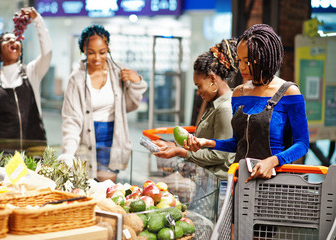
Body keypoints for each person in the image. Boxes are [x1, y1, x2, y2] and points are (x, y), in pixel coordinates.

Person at [185, 24, 309, 183]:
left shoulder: (289, 92)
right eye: (239, 60)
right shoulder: (239, 93)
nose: (241, 67)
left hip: (276, 181)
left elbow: (302, 144)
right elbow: (238, 143)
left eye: (247, 61)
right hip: (240, 181)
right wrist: (207, 143)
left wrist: (272, 161)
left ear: (264, 58)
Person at [58, 24, 147, 181]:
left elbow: (131, 105)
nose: (97, 58)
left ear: (109, 49)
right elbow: (71, 120)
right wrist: (68, 152)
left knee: (107, 187)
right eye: (91, 53)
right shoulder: (76, 79)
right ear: (83, 51)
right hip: (84, 139)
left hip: (112, 137)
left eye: (102, 52)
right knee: (85, 186)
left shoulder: (119, 71)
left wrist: (137, 82)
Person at [152, 39, 239, 180]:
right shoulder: (215, 105)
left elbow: (219, 155)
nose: (198, 92)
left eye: (199, 86)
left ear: (212, 79)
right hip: (208, 182)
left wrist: (180, 152)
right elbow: (202, 144)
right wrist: (172, 144)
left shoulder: (224, 109)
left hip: (219, 185)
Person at [0, 7, 51, 154]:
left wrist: (36, 19)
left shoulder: (32, 72)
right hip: (5, 151)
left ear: (20, 49)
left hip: (35, 148)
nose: (13, 41)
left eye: (16, 39)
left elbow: (48, 52)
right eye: (7, 39)